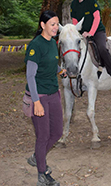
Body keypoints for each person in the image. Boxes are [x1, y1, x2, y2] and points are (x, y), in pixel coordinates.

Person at [25, 10, 65, 186]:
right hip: (39, 96)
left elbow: (50, 61)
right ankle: (42, 175)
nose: (56, 27)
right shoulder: (35, 45)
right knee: (43, 137)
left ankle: (37, 156)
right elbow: (30, 76)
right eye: (52, 24)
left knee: (57, 132)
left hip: (54, 93)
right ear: (43, 25)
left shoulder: (52, 43)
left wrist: (59, 70)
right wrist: (36, 102)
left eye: (57, 24)